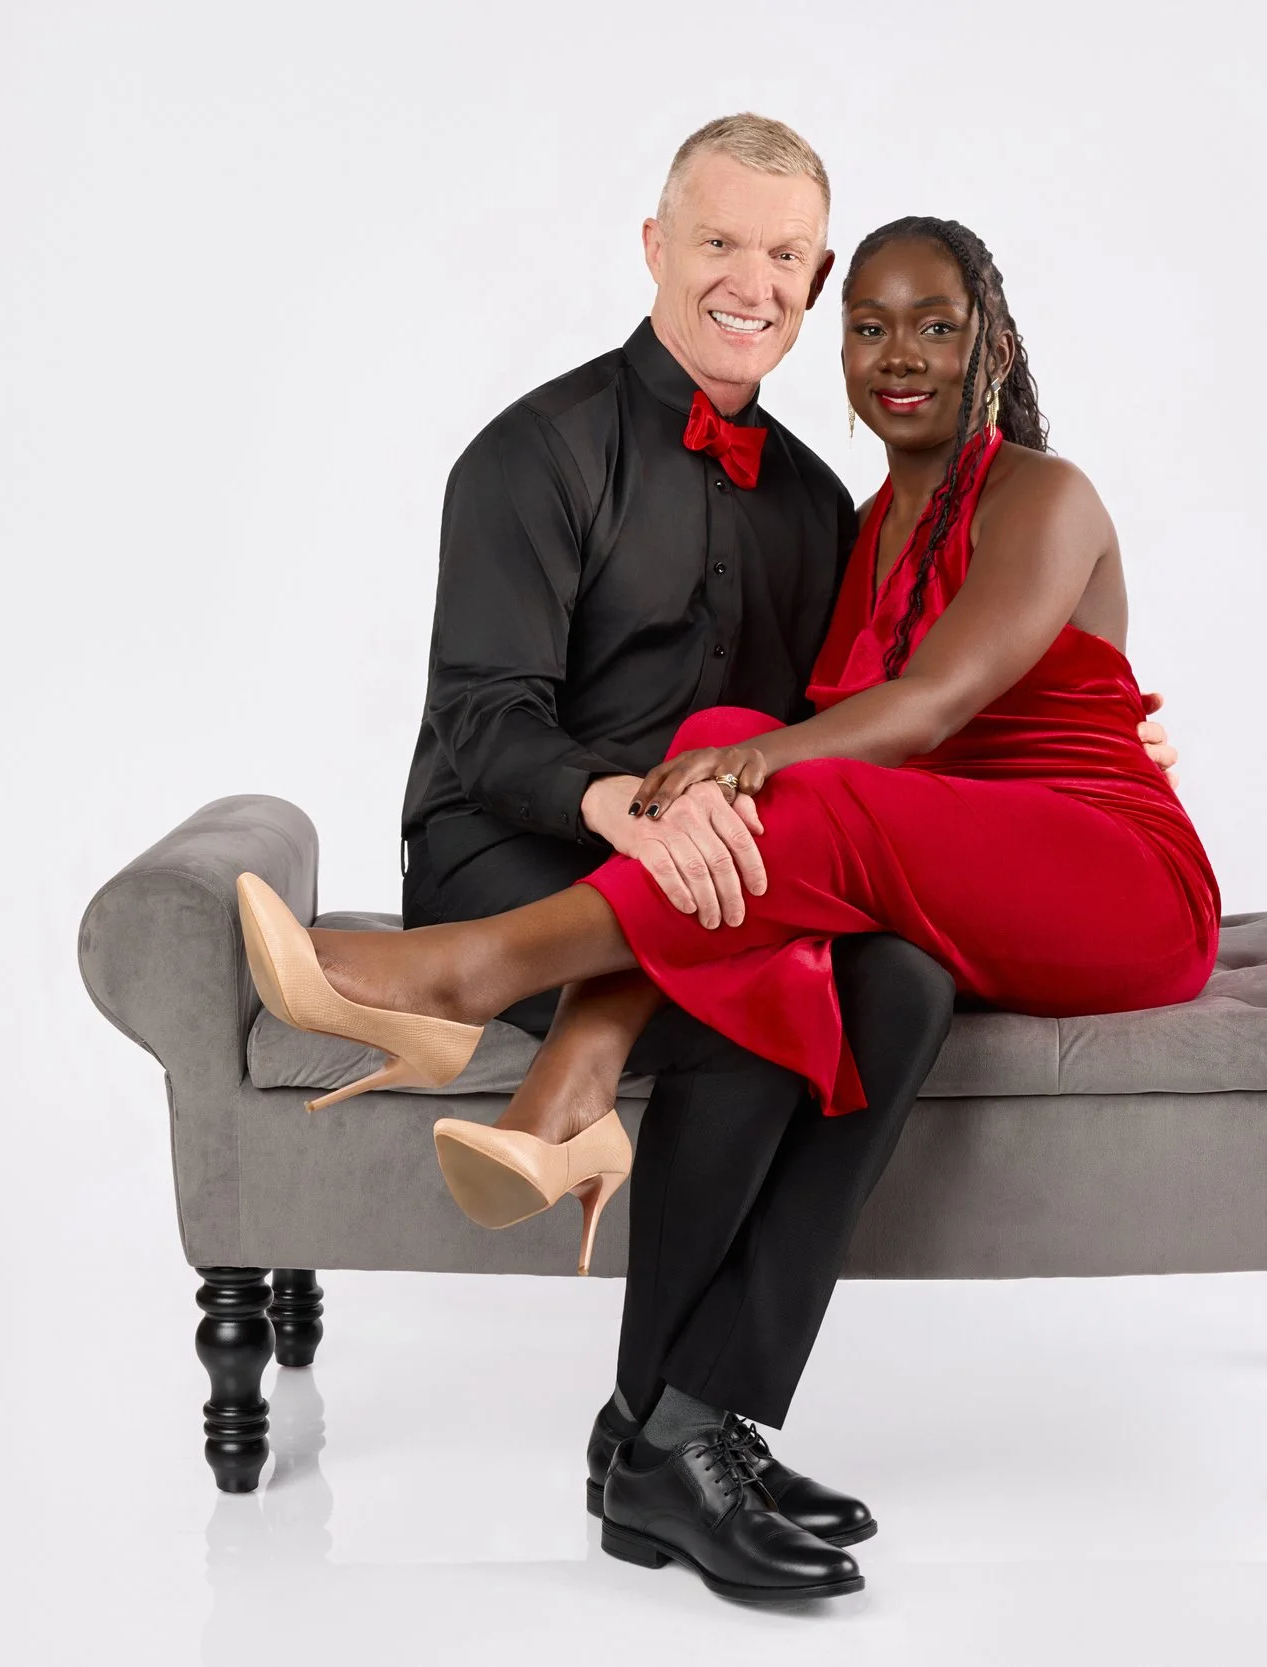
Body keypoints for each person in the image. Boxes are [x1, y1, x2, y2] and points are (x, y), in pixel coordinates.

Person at [243, 180, 1216, 1602]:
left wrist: (757, 765)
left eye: (935, 326)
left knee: (761, 770)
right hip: (930, 877)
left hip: (1106, 876)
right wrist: (717, 769)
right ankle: (677, 1430)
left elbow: (935, 704)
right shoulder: (849, 521)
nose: (899, 355)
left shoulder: (1044, 494)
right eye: (872, 326)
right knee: (770, 824)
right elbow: (539, 719)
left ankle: (465, 974)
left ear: (991, 338)